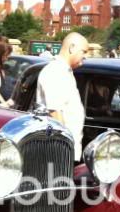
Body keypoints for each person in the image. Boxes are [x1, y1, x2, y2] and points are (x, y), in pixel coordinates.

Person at [36, 32, 89, 161]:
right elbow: (56, 115)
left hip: (65, 151)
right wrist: (63, 150)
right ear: (72, 48)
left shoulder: (64, 71)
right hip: (58, 153)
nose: (85, 57)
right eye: (84, 52)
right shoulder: (56, 71)